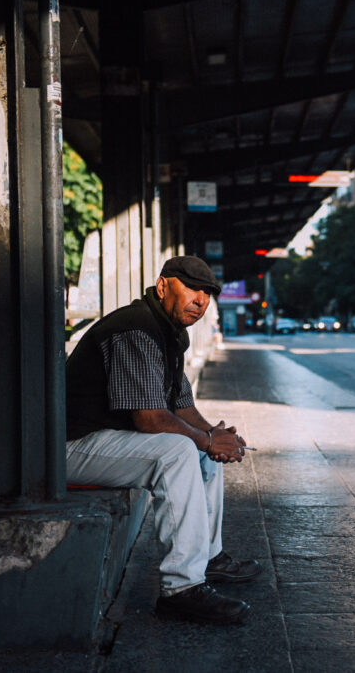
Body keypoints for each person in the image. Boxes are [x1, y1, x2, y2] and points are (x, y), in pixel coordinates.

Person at [65, 256, 261, 625]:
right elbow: (151, 419)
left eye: (207, 294)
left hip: (104, 441)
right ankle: (181, 588)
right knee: (179, 450)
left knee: (200, 450)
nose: (200, 300)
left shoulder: (168, 333)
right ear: (162, 287)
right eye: (192, 288)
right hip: (68, 447)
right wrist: (207, 440)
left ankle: (208, 557)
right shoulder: (136, 328)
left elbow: (182, 407)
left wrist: (215, 436)